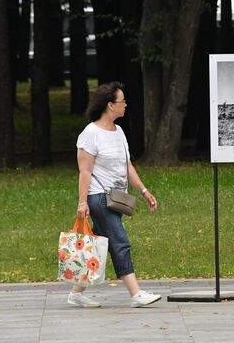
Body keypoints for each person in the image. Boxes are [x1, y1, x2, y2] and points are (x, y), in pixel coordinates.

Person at [69, 81, 161, 308]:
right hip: (99, 198)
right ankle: (136, 293)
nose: (126, 105)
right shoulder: (91, 133)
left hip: (116, 196)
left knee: (98, 245)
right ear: (111, 105)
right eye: (122, 101)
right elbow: (85, 171)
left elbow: (127, 166)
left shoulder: (118, 132)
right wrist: (82, 202)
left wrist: (144, 190)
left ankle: (76, 294)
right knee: (120, 242)